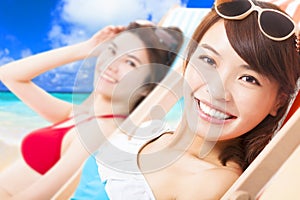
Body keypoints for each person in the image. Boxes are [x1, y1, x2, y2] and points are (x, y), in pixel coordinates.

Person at [72, 0, 299, 199]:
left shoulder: (212, 182)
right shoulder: (149, 131)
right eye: (209, 61)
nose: (217, 90)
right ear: (187, 62)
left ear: (279, 102)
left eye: (248, 78)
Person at [0, 21, 184, 199]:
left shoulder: (98, 132)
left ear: (147, 87)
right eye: (112, 51)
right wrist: (87, 48)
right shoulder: (85, 115)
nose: (112, 64)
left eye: (130, 62)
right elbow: (9, 76)